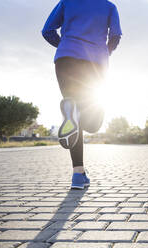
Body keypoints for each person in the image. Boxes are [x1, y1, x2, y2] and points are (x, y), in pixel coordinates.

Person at [42, 0, 122, 189]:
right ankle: (74, 113)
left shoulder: (67, 2)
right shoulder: (109, 7)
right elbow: (116, 35)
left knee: (74, 115)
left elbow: (47, 30)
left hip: (65, 59)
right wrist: (105, 52)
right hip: (95, 62)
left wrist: (65, 45)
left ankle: (78, 175)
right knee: (93, 123)